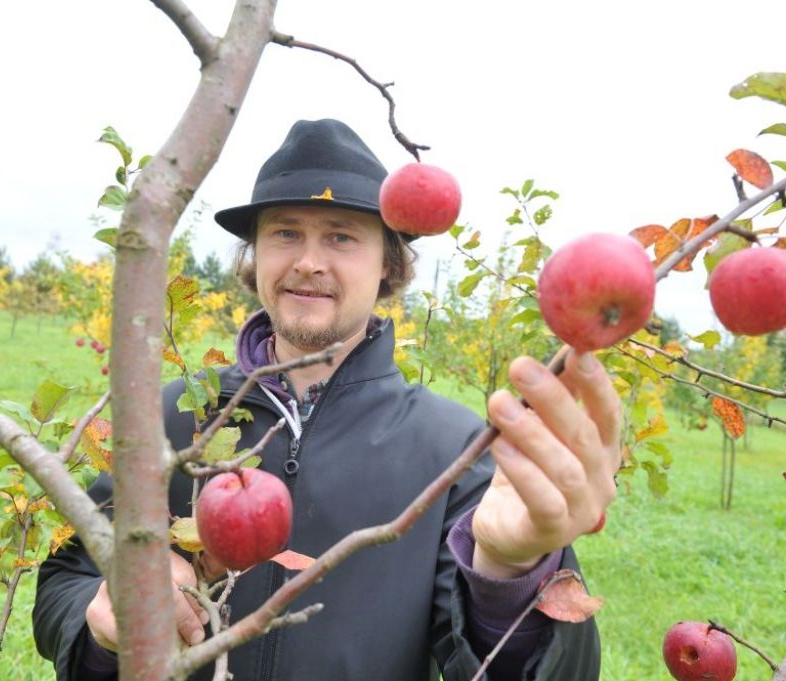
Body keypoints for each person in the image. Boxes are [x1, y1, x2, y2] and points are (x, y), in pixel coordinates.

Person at [33, 119, 620, 680]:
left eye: (341, 236)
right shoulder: (174, 416)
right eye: (285, 232)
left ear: (388, 263)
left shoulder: (455, 450)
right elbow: (67, 580)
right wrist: (101, 623)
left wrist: (508, 575)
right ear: (255, 254)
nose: (309, 262)